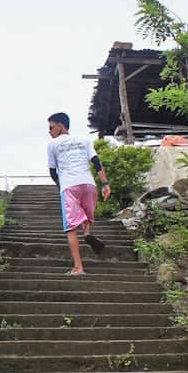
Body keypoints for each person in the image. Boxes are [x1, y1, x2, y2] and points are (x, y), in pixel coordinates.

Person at [47, 112, 111, 275]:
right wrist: (105, 184)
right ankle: (88, 233)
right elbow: (96, 162)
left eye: (51, 127)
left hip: (69, 185)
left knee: (71, 228)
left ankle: (78, 268)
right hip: (89, 184)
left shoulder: (53, 144)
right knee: (87, 215)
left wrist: (60, 187)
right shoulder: (85, 140)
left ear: (60, 126)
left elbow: (53, 172)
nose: (49, 131)